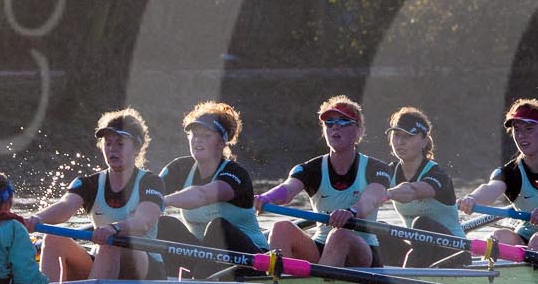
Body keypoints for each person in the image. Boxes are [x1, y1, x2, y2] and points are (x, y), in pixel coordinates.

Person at [256, 95, 393, 268]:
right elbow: (287, 189)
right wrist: (264, 198)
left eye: (344, 121)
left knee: (339, 235)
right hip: (321, 247)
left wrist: (351, 211)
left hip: (362, 251)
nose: (335, 126)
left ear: (359, 131)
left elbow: (372, 198)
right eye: (329, 122)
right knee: (280, 228)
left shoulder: (376, 168)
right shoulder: (310, 169)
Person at [30, 109, 165, 282]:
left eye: (120, 144)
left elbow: (144, 222)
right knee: (52, 238)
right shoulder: (89, 184)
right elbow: (65, 207)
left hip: (145, 266)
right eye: (108, 143)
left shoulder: (151, 182)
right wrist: (36, 218)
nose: (112, 149)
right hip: (104, 256)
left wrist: (113, 228)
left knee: (113, 240)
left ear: (137, 148)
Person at [457, 98, 538, 256]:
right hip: (526, 237)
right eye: (517, 130)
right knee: (498, 237)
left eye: (529, 129)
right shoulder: (511, 172)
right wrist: (470, 199)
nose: (522, 136)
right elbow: (489, 189)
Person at [156, 101, 264, 261]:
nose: (198, 140)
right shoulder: (178, 168)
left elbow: (202, 196)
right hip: (203, 257)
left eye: (206, 135)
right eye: (194, 134)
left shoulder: (235, 173)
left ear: (221, 142)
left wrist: (164, 200)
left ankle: (197, 279)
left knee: (217, 227)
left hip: (251, 259)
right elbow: (147, 193)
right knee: (164, 224)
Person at [379, 106, 470, 267]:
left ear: (424, 141)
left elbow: (413, 191)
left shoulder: (438, 175)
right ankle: (376, 281)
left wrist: (384, 194)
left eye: (408, 136)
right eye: (396, 135)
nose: (400, 142)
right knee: (378, 230)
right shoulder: (387, 172)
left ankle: (407, 282)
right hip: (420, 253)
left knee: (422, 223)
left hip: (454, 254)